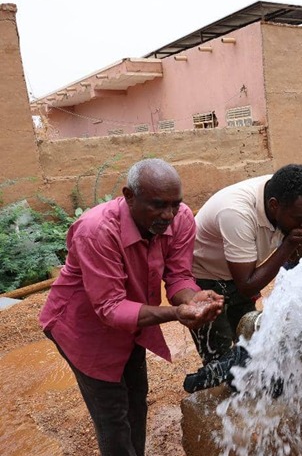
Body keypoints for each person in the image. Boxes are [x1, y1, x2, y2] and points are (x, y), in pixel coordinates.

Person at [39, 159, 224, 456]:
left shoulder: (181, 218)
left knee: (137, 399)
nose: (168, 214)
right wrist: (176, 313)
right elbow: (110, 308)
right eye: (158, 205)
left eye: (175, 204)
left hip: (133, 322)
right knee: (112, 416)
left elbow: (178, 276)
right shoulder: (96, 230)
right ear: (129, 196)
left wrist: (192, 300)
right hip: (83, 330)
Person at [190, 164, 302, 366]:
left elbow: (292, 258)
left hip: (239, 270)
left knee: (252, 345)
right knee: (220, 361)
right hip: (205, 278)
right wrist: (290, 243)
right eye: (300, 219)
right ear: (274, 205)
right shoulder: (237, 213)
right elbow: (247, 285)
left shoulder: (284, 198)